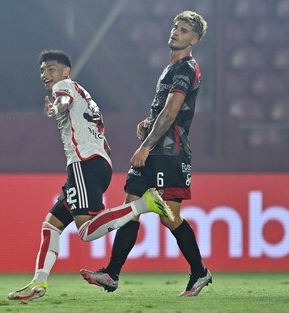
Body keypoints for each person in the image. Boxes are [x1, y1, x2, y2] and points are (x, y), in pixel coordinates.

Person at [8, 50, 174, 302]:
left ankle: (145, 203)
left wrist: (56, 107)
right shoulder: (84, 93)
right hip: (95, 162)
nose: (45, 74)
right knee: (51, 225)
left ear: (65, 72)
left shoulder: (63, 87)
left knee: (85, 231)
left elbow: (62, 102)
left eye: (51, 69)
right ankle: (38, 283)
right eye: (42, 70)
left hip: (83, 163)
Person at [79, 11, 212, 297]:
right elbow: (163, 111)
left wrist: (146, 145)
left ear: (195, 39)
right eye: (176, 26)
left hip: (170, 153)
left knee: (169, 217)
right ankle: (112, 274)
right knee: (130, 208)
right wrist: (148, 124)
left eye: (185, 29)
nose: (176, 31)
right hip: (156, 150)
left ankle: (200, 272)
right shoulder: (169, 69)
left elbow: (172, 111)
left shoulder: (187, 68)